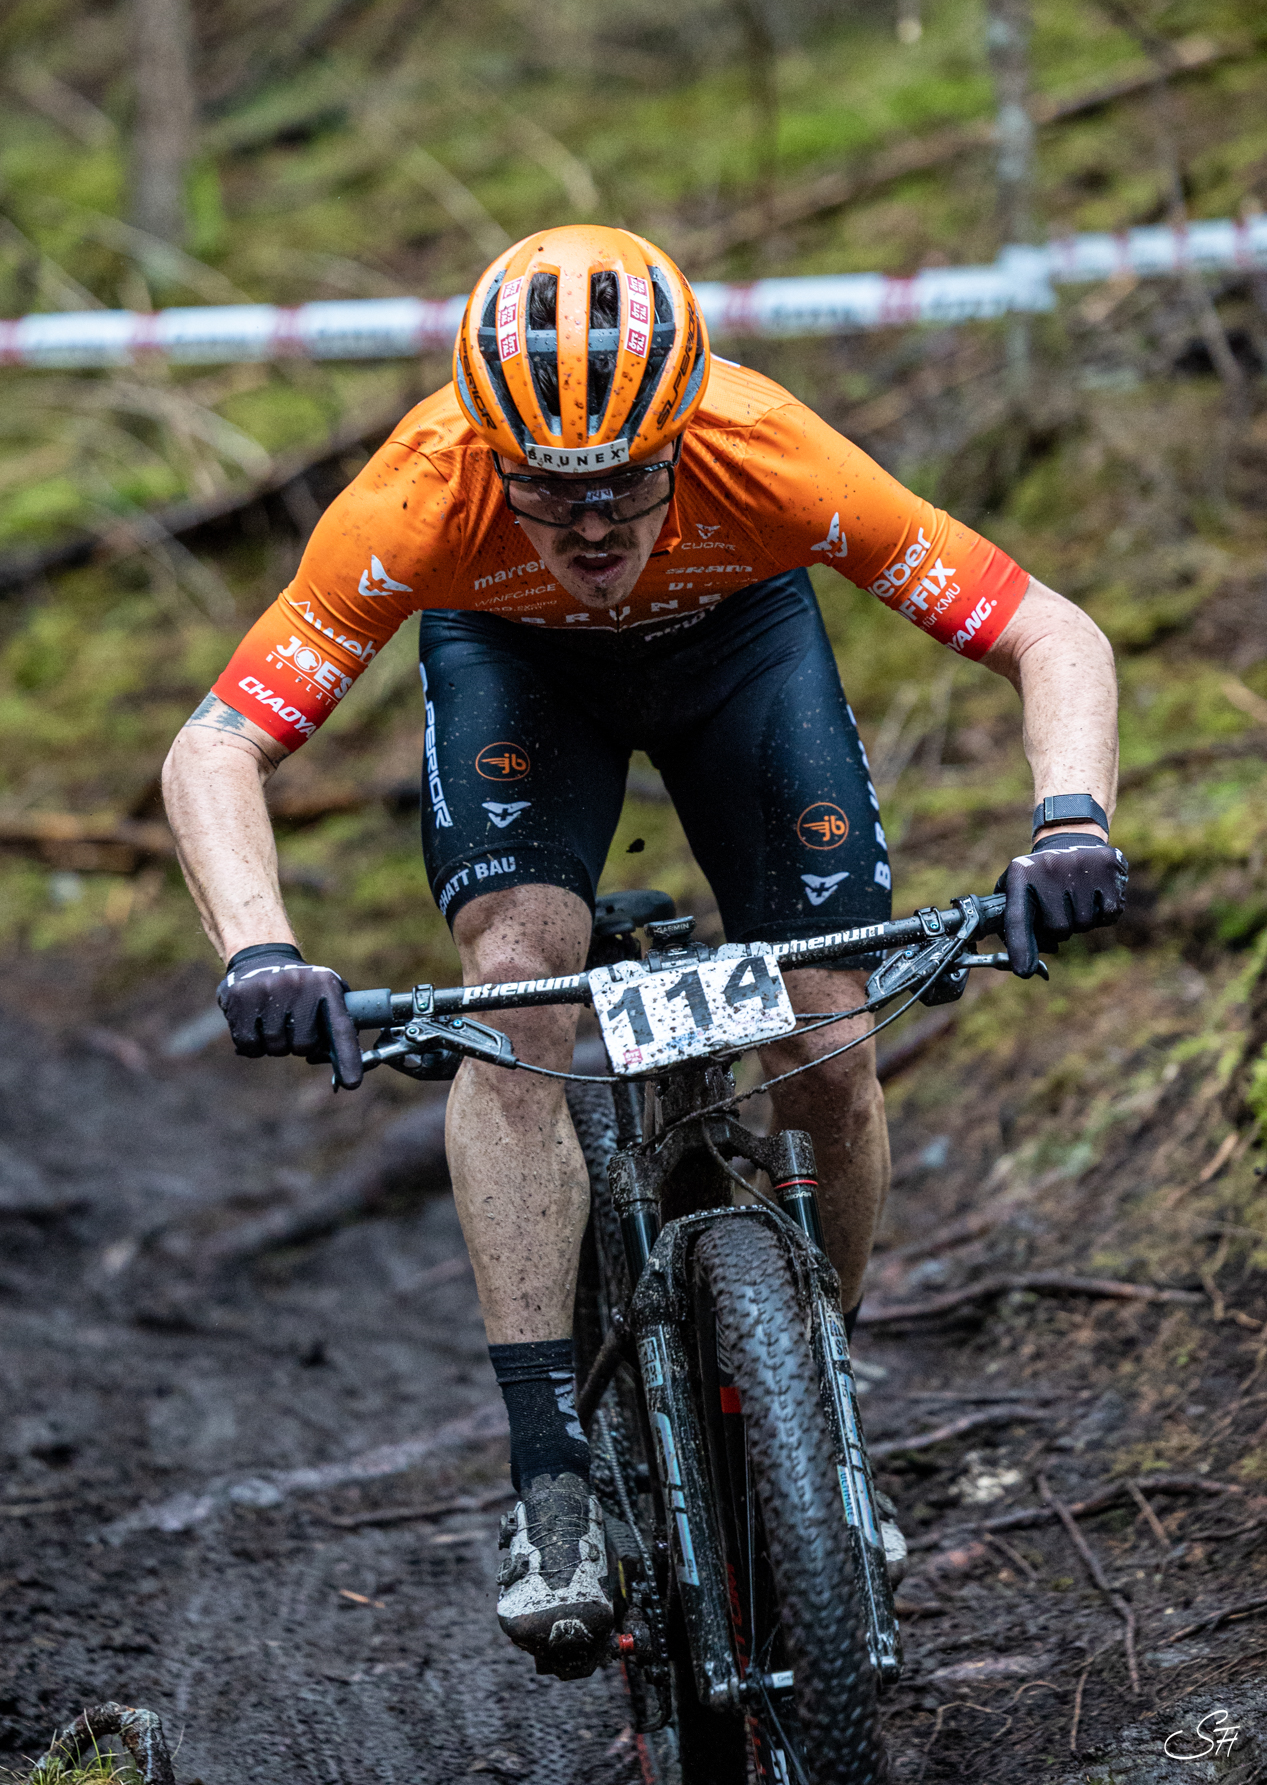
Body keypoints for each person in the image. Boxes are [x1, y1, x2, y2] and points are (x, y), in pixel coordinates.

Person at [162, 223, 1126, 1679]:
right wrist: (258, 952)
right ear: (491, 459)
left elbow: (1050, 632)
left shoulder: (770, 452)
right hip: (514, 665)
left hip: (741, 649)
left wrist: (1069, 826)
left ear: (684, 436)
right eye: (552, 493)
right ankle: (551, 1484)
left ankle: (821, 1408)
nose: (596, 528)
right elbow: (218, 744)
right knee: (517, 994)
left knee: (825, 1023)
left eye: (626, 482)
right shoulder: (418, 496)